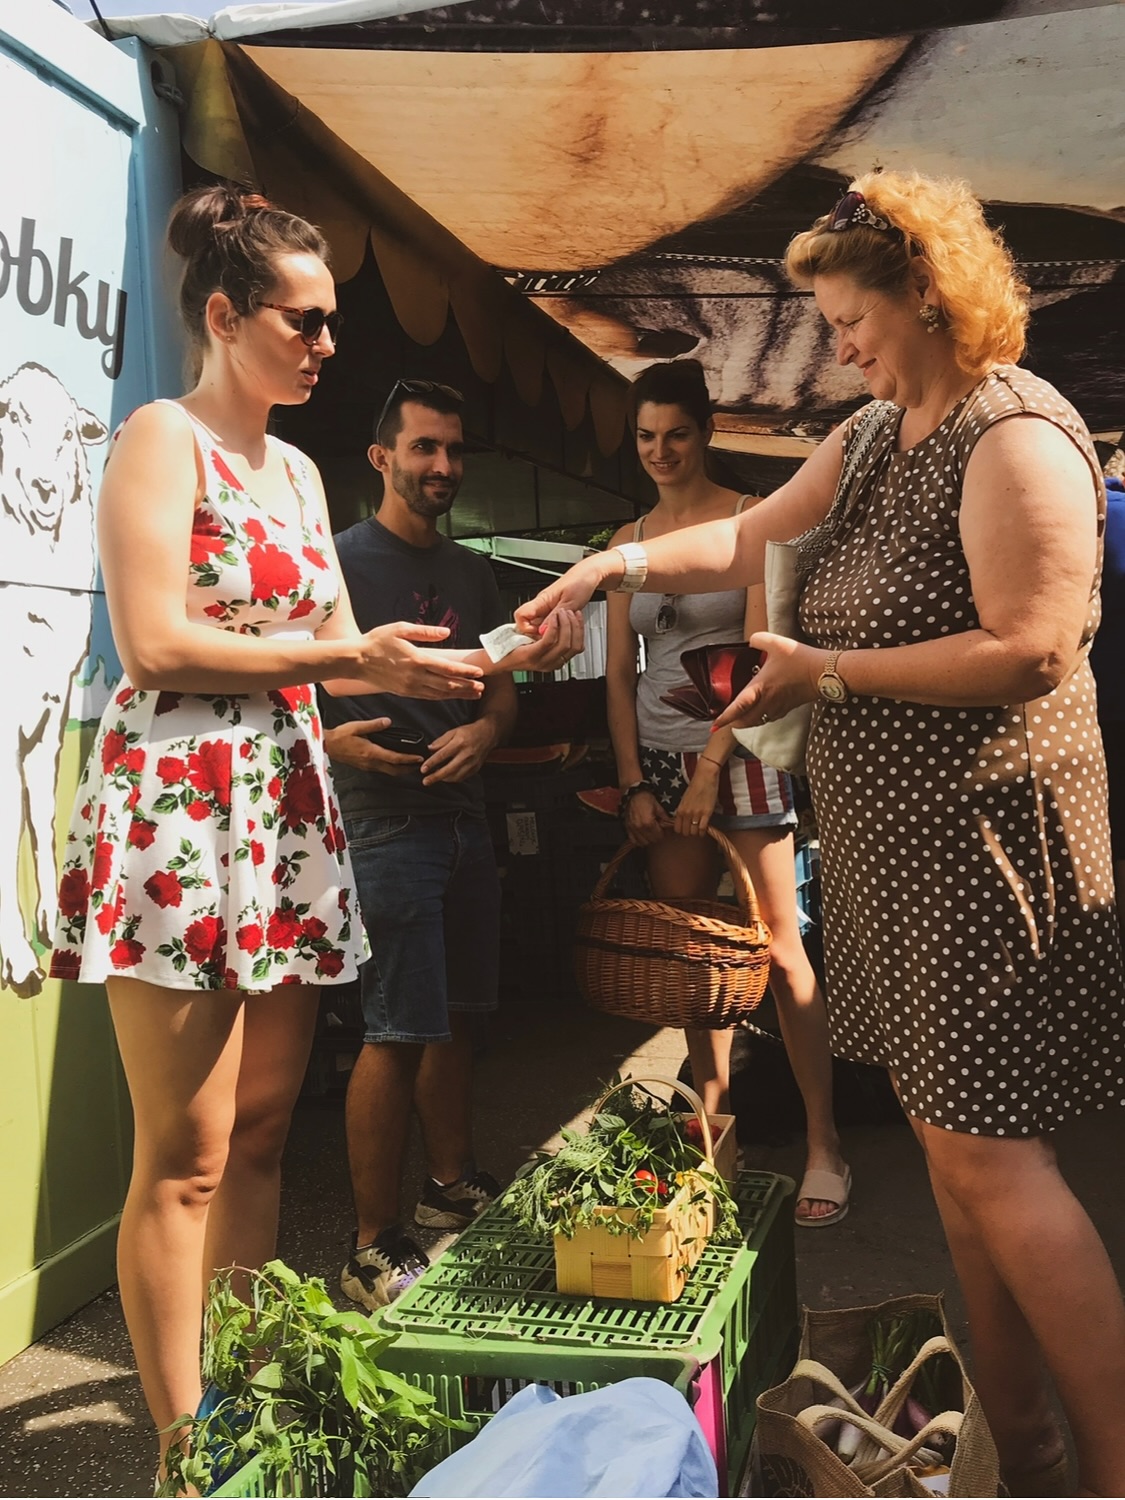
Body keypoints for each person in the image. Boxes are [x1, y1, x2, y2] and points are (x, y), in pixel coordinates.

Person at [515, 171, 1125, 1496]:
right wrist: (610, 566)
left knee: (996, 1166)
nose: (836, 345)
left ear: (930, 296)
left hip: (981, 850)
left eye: (849, 318)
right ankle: (1024, 1449)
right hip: (897, 855)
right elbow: (743, 538)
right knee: (956, 1163)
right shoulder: (873, 434)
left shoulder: (1014, 434)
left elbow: (1031, 648)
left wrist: (827, 674)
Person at [45, 185, 573, 1471]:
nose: (329, 343)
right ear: (227, 317)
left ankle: (245, 1404)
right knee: (185, 1153)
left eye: (331, 320)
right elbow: (155, 643)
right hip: (179, 807)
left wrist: (492, 657)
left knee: (265, 1132)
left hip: (282, 806)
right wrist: (350, 656)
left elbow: (351, 653)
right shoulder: (160, 439)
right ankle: (185, 1451)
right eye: (307, 320)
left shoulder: (296, 468)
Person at [320, 380, 579, 1307]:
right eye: (424, 447)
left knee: (460, 1015)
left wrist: (486, 730)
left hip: (465, 815)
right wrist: (332, 742)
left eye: (454, 449)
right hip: (381, 819)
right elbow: (289, 687)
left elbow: (500, 691)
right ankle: (370, 1245)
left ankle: (449, 1185)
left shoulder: (473, 572)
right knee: (396, 1030)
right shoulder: (335, 560)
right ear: (381, 458)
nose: (442, 465)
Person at [606, 358, 848, 1225]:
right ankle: (714, 1140)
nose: (660, 450)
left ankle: (823, 1143)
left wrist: (710, 767)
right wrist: (633, 782)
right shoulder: (630, 536)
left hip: (738, 754)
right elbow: (617, 674)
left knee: (778, 951)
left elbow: (756, 657)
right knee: (693, 958)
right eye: (646, 436)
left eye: (676, 434)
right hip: (658, 764)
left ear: (705, 433)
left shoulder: (750, 517)